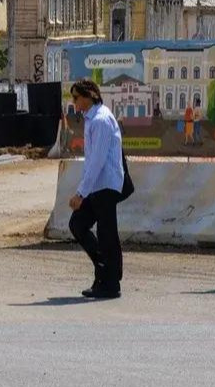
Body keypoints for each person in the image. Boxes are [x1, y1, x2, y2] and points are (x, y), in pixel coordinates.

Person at [67, 79, 124, 300]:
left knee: (106, 233)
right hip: (98, 185)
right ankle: (105, 271)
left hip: (105, 184)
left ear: (89, 96)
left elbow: (98, 161)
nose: (74, 102)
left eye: (77, 98)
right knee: (78, 224)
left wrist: (81, 193)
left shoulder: (100, 120)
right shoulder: (93, 119)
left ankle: (109, 282)